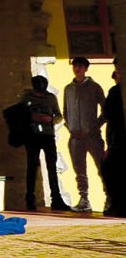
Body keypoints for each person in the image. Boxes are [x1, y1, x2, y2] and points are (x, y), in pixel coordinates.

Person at [20, 75, 69, 211]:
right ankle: (30, 199)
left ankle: (56, 199)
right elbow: (18, 114)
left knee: (52, 167)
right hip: (32, 136)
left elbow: (59, 116)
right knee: (32, 167)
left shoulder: (51, 98)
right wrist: (31, 117)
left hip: (48, 136)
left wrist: (50, 119)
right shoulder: (26, 97)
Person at [63, 56, 106, 212]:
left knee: (102, 168)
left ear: (86, 68)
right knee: (79, 171)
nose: (77, 69)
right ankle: (84, 199)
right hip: (75, 137)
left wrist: (95, 126)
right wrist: (70, 126)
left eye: (80, 66)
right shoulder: (68, 89)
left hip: (93, 136)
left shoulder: (95, 87)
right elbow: (65, 111)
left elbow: (105, 109)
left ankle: (109, 197)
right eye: (75, 66)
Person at [103, 55, 126, 216]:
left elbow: (109, 113)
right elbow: (108, 114)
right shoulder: (114, 91)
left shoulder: (117, 91)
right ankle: (117, 203)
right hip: (116, 139)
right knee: (111, 171)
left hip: (119, 140)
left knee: (113, 172)